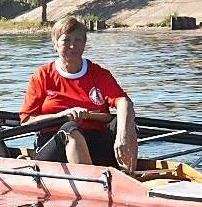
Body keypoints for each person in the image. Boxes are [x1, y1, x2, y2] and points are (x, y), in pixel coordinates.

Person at [19, 15, 137, 171]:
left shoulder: (98, 73)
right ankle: (91, 184)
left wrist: (123, 133)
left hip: (94, 142)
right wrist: (62, 115)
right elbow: (26, 120)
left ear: (84, 44)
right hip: (54, 145)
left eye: (77, 40)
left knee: (124, 120)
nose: (72, 46)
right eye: (66, 41)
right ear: (55, 44)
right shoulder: (42, 75)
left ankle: (130, 176)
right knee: (70, 128)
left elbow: (124, 102)